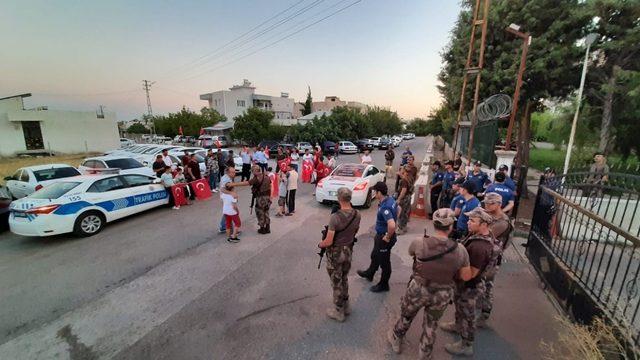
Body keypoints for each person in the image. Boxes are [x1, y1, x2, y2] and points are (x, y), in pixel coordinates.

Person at [387, 208, 470, 359]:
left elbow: (411, 253)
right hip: (442, 294)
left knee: (406, 316)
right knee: (431, 325)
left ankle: (396, 338)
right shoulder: (460, 250)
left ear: (434, 223)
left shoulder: (420, 242)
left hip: (418, 289)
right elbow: (465, 276)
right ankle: (424, 353)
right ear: (451, 226)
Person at [441, 207, 501, 357]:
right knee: (460, 308)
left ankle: (466, 344)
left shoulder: (479, 247)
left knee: (468, 315)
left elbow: (470, 274)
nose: (468, 222)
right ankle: (457, 325)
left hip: (469, 286)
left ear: (484, 225)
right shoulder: (480, 235)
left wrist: (451, 273)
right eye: (468, 219)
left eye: (472, 220)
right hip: (467, 285)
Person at [318, 187, 361, 322]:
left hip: (336, 253)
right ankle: (346, 305)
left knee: (336, 282)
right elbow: (355, 230)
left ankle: (338, 311)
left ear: (339, 198)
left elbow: (329, 241)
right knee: (344, 278)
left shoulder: (335, 218)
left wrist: (320, 244)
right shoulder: (357, 214)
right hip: (348, 250)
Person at [477, 193, 513, 326]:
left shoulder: (502, 222)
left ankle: (484, 313)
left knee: (487, 285)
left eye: (489, 203)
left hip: (492, 259)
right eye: (485, 203)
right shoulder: (489, 215)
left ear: (499, 204)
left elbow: (483, 232)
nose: (486, 205)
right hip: (484, 254)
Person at [357, 182, 398, 292]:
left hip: (384, 238)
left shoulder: (385, 207)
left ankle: (384, 284)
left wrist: (388, 236)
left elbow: (392, 225)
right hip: (380, 235)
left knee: (384, 262)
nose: (374, 193)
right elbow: (400, 209)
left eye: (375, 191)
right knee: (375, 255)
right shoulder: (389, 200)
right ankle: (370, 273)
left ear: (379, 192)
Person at [231, 165, 272, 234]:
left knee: (260, 213)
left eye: (252, 171)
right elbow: (270, 186)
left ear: (256, 171)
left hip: (260, 198)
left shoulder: (256, 178)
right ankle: (268, 228)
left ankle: (262, 229)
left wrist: (233, 184)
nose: (252, 172)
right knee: (266, 212)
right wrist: (270, 197)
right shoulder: (266, 176)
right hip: (267, 197)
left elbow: (246, 183)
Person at [218, 167, 236, 233]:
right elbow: (223, 189)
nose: (235, 173)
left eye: (234, 172)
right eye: (233, 172)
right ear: (228, 173)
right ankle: (229, 229)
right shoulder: (225, 179)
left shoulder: (227, 177)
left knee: (227, 212)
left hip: (226, 197)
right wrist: (231, 193)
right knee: (229, 212)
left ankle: (223, 227)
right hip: (225, 198)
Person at [396, 167, 412, 235]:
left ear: (404, 172)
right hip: (408, 197)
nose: (399, 171)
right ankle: (404, 226)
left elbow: (403, 190)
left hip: (404, 198)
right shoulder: (408, 179)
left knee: (401, 213)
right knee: (405, 213)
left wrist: (399, 199)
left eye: (401, 170)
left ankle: (400, 228)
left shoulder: (403, 181)